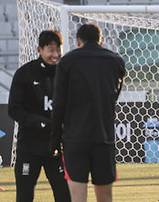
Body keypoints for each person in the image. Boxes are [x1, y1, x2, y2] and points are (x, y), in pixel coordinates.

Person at [50, 23, 126, 202]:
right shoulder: (116, 61)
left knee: (78, 197)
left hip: (75, 139)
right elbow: (113, 96)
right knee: (105, 197)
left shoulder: (67, 61)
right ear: (102, 40)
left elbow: (59, 104)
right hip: (103, 137)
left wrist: (55, 139)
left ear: (78, 41)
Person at [9, 30, 70, 202]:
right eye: (50, 50)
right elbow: (13, 109)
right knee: (25, 195)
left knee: (65, 194)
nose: (55, 54)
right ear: (39, 50)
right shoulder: (24, 73)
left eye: (58, 49)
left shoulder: (66, 73)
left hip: (57, 148)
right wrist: (40, 122)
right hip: (29, 147)